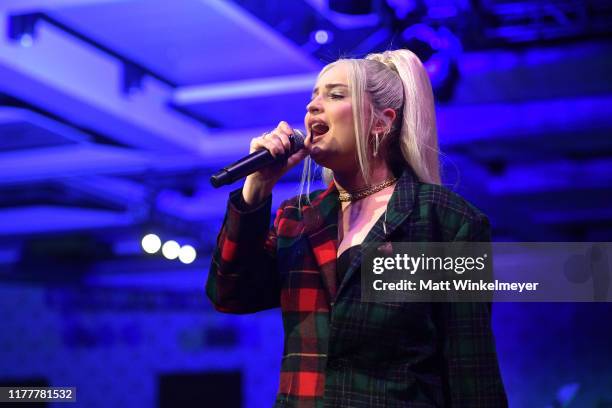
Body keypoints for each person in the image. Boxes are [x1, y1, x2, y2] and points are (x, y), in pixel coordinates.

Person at [206, 49, 508, 407]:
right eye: (313, 96)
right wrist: (255, 191)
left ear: (382, 122)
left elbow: (470, 371)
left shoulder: (444, 222)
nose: (312, 107)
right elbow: (229, 294)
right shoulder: (298, 218)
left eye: (334, 95)